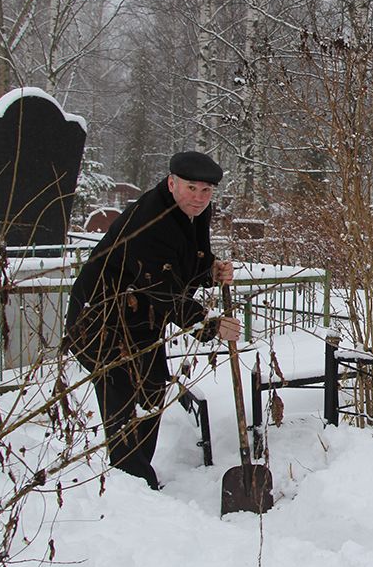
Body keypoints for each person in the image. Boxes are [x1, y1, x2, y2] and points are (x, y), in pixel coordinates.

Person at [65, 151, 241, 490]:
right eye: (192, 188)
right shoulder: (149, 220)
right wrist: (210, 324)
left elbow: (185, 259)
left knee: (152, 387)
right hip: (101, 320)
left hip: (140, 321)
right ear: (172, 182)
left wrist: (210, 270)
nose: (200, 198)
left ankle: (136, 480)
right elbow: (162, 289)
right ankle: (130, 484)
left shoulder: (191, 212)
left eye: (207, 191)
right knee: (120, 393)